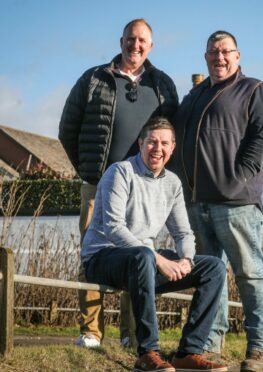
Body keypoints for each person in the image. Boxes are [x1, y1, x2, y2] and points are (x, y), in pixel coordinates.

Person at [58, 18, 178, 348]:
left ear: (150, 46)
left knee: (138, 256)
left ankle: (131, 333)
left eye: (142, 40)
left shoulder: (162, 85)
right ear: (121, 40)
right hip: (98, 186)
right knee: (91, 255)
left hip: (142, 189)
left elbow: (170, 137)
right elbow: (67, 129)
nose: (135, 45)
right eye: (130, 39)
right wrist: (89, 171)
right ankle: (91, 332)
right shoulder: (94, 79)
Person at [81, 117, 227, 372]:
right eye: (151, 142)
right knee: (144, 256)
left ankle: (188, 353)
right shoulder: (120, 172)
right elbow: (113, 228)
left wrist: (186, 260)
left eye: (164, 143)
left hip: (144, 263)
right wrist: (159, 260)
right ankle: (147, 352)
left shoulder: (172, 183)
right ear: (141, 143)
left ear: (172, 148)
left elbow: (183, 233)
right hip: (104, 258)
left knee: (213, 267)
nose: (157, 149)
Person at [172, 30, 263, 372]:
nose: (219, 57)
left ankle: (259, 349)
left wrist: (241, 175)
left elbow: (262, 137)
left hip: (236, 203)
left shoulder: (254, 90)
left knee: (249, 274)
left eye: (226, 51)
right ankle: (211, 347)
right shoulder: (195, 95)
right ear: (205, 57)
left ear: (238, 55)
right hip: (196, 203)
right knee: (209, 277)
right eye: (213, 52)